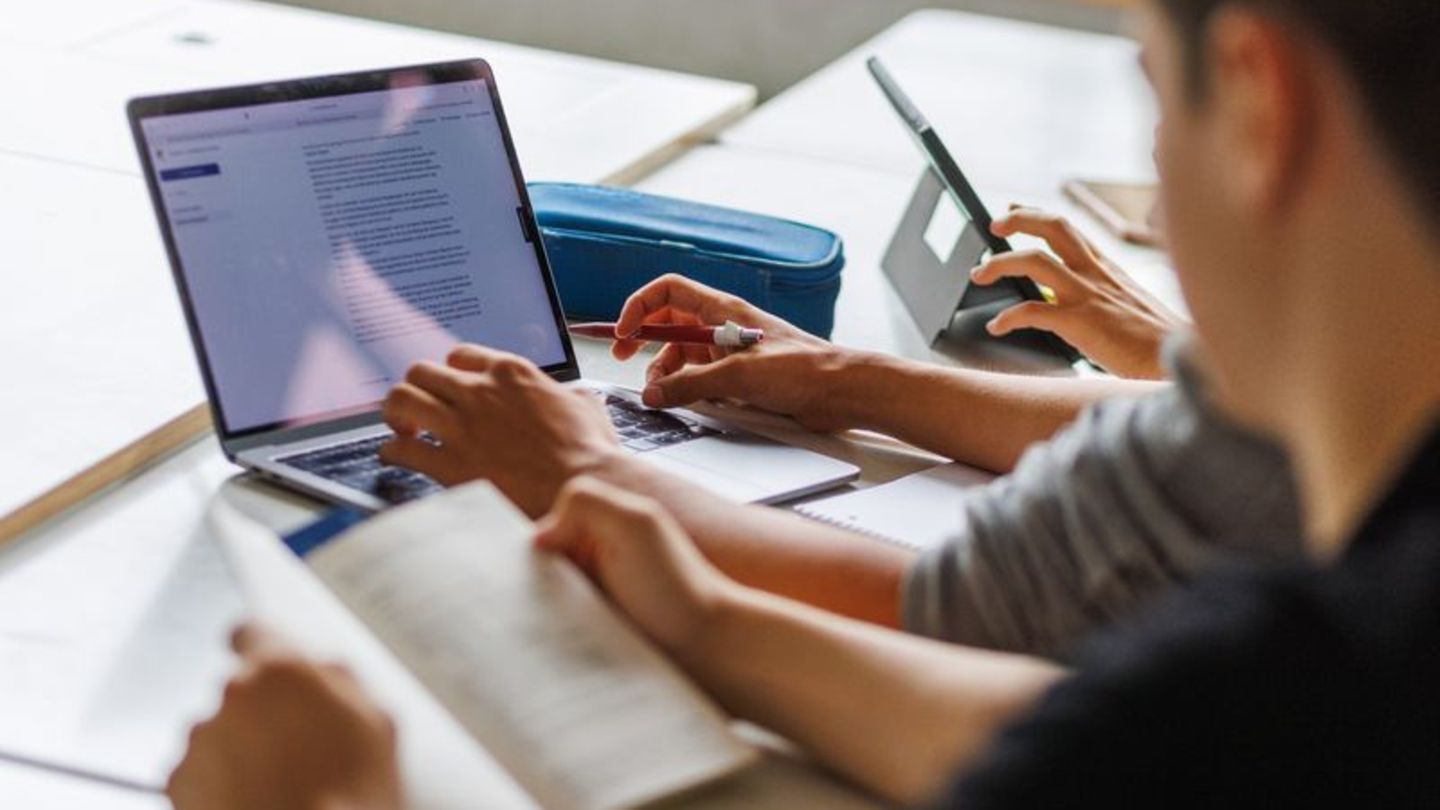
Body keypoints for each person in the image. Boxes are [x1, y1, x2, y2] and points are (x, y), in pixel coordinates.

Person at [171, 0, 1440, 803]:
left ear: (1261, 103)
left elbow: (1123, 736)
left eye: (1155, 91)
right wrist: (716, 617)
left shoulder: (1317, 691)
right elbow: (1082, 730)